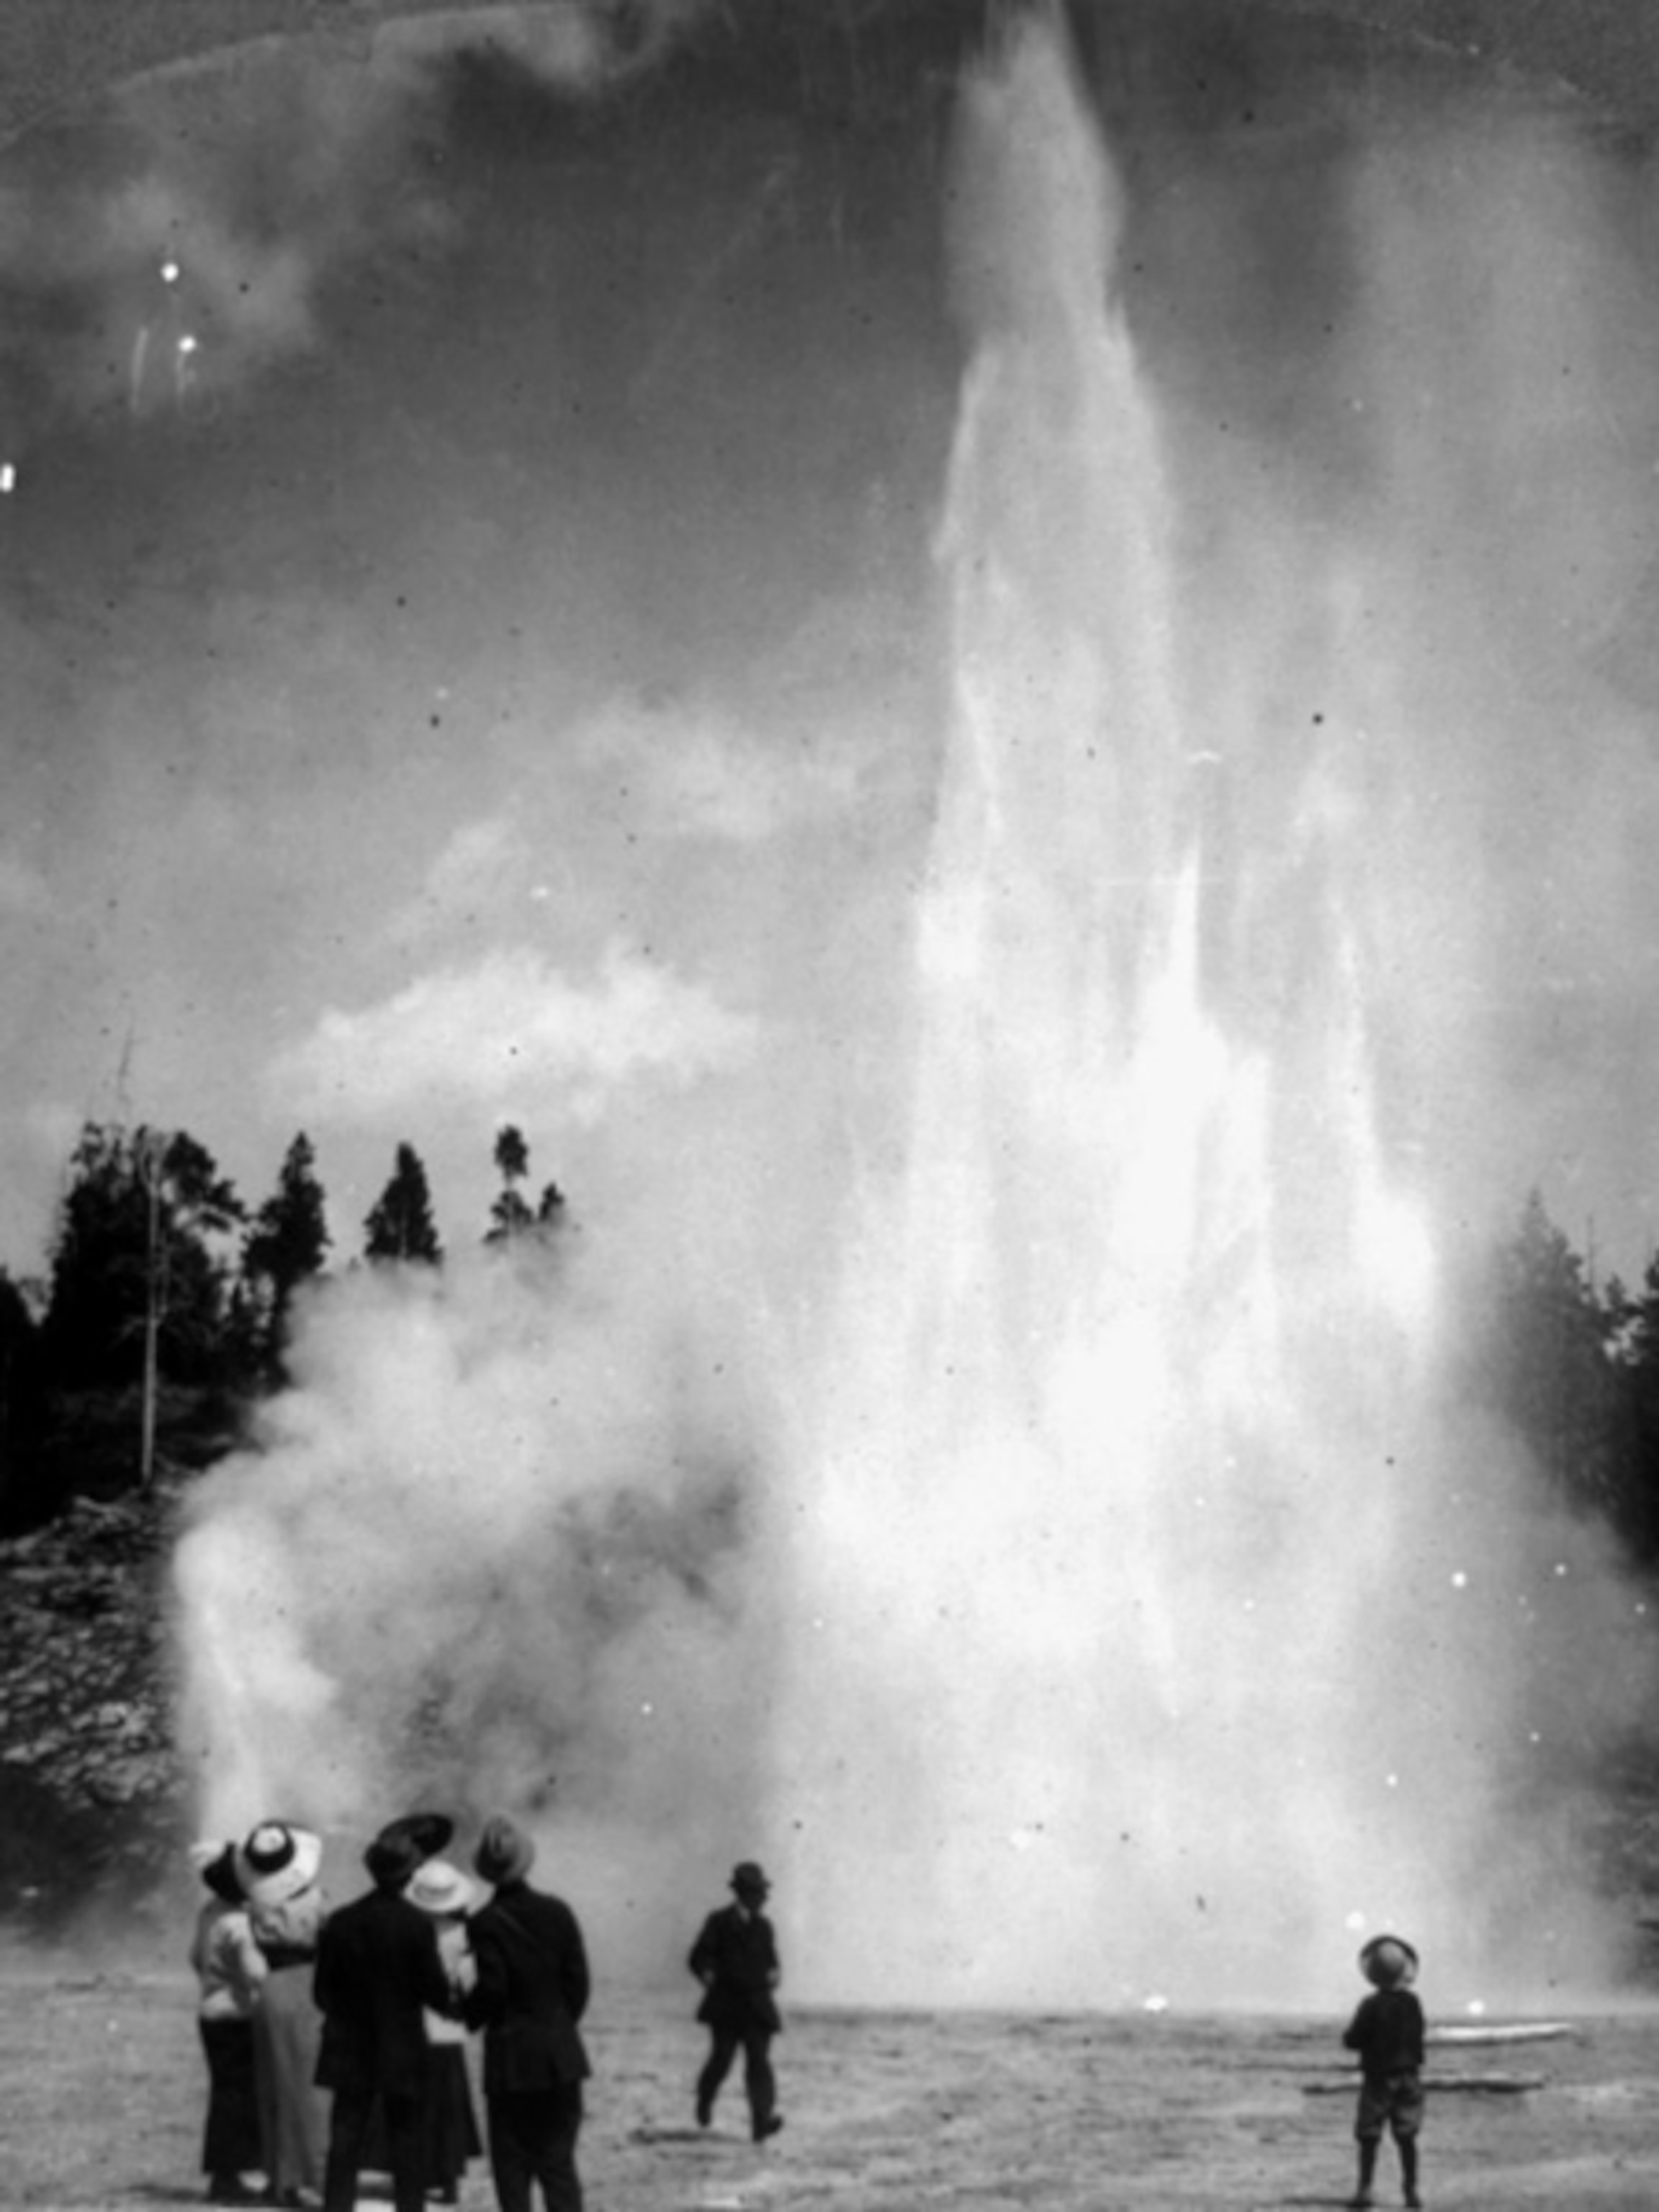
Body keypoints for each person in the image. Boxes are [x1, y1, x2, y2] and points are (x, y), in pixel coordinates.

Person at [313, 1828, 453, 2212]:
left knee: (345, 2138)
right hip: (402, 2044)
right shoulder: (416, 1925)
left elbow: (321, 1993)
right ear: (409, 1875)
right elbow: (435, 1992)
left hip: (349, 2044)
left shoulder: (341, 1921)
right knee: (407, 2138)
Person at [464, 1814, 591, 2212]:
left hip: (511, 2062)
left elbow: (493, 1988)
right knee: (558, 2166)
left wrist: (467, 2014)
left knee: (513, 2171)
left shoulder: (484, 1923)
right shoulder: (559, 1912)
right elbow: (578, 1985)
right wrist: (555, 2026)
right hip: (560, 2057)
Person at [238, 1822, 330, 2208]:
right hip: (310, 1984)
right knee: (313, 2086)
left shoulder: (257, 1908)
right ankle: (317, 2173)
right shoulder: (317, 1901)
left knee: (274, 2082)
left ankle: (281, 2176)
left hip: (272, 1988)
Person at [188, 1839, 267, 2204]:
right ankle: (229, 2177)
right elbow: (256, 1974)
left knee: (225, 2096)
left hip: (209, 2011)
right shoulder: (240, 1924)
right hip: (237, 2015)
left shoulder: (209, 1912)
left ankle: (225, 2174)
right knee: (239, 2097)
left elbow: (194, 1957)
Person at [688, 1861, 783, 2143]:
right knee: (722, 2061)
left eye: (763, 1893)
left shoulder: (765, 1927)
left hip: (756, 2007)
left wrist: (774, 1974)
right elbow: (697, 1957)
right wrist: (707, 1975)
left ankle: (761, 2123)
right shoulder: (718, 1922)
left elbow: (772, 1962)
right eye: (758, 1893)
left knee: (759, 2064)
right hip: (727, 2007)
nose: (763, 1898)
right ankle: (705, 2099)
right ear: (744, 1894)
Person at [1341, 1933, 1426, 2211]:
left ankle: (1365, 2189)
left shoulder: (1370, 2005)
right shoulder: (1413, 2003)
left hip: (1378, 2079)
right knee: (1407, 2136)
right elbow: (1418, 2037)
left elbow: (1352, 2040)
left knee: (1369, 2135)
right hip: (1409, 2077)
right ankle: (1411, 2191)